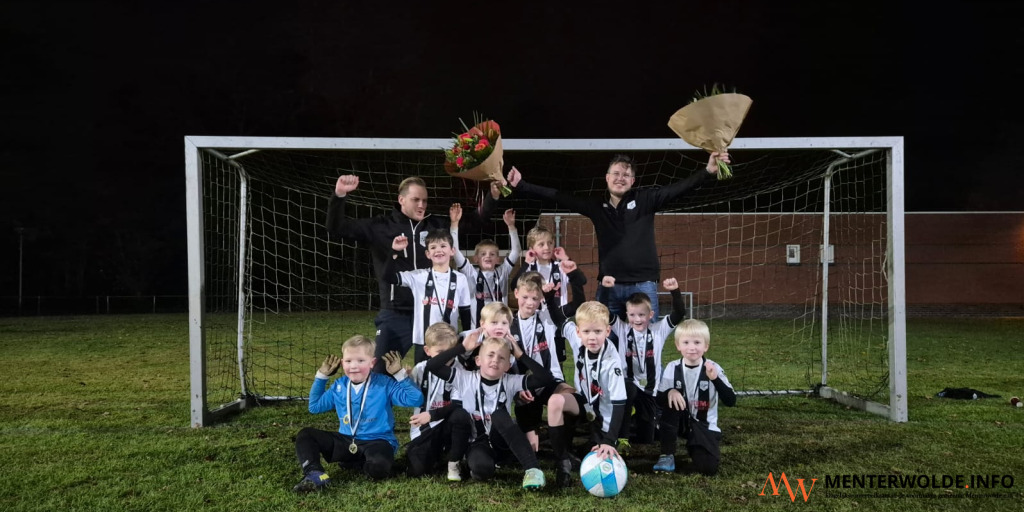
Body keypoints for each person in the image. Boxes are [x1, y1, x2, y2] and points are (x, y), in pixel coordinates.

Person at [506, 152, 729, 319]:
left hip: (644, 285)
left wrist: (707, 171)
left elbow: (679, 189)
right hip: (609, 285)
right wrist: (522, 185)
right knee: (607, 339)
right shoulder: (596, 206)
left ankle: (647, 382)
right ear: (606, 177)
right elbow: (559, 197)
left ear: (633, 181)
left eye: (626, 175)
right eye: (616, 173)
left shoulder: (646, 199)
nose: (620, 178)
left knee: (646, 340)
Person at [326, 175, 500, 373]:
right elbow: (336, 228)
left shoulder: (435, 226)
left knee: (437, 374)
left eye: (424, 200)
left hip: (433, 317)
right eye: (416, 200)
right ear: (401, 200)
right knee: (380, 371)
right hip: (396, 312)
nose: (421, 205)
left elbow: (474, 222)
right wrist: (339, 195)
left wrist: (492, 197)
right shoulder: (381, 226)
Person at [426, 326, 555, 490]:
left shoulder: (510, 380)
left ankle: (533, 470)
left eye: (502, 358)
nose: (495, 360)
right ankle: (478, 465)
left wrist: (520, 354)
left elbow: (546, 378)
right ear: (478, 360)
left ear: (508, 366)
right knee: (482, 469)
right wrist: (462, 348)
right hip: (478, 442)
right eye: (490, 355)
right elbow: (432, 365)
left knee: (499, 415)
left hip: (501, 440)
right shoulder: (464, 378)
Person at [292, 335, 423, 493]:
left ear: (372, 363)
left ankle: (360, 462)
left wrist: (399, 374)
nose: (354, 366)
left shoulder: (384, 383)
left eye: (360, 361)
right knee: (306, 434)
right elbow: (314, 406)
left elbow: (415, 400)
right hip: (347, 440)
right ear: (342, 363)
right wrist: (321, 376)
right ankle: (314, 474)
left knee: (378, 469)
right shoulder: (339, 386)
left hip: (378, 441)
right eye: (348, 361)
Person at [545, 301, 626, 488]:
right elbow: (558, 318)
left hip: (603, 416)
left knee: (594, 452)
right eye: (587, 332)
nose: (592, 338)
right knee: (555, 401)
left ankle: (590, 444)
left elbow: (620, 403)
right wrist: (549, 295)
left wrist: (609, 441)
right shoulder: (577, 338)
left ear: (607, 331)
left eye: (598, 332)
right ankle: (563, 462)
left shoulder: (612, 362)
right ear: (578, 332)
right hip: (584, 403)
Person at [508, 267, 584, 452]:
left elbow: (578, 304)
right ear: (516, 293)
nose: (529, 303)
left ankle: (565, 452)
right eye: (525, 297)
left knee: (569, 398)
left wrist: (551, 296)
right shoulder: (507, 324)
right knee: (532, 448)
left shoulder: (548, 317)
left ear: (541, 298)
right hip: (524, 386)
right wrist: (517, 391)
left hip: (552, 380)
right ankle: (528, 434)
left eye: (535, 298)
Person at [606, 277, 688, 447]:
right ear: (627, 315)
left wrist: (675, 290)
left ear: (650, 315)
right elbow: (603, 311)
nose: (637, 319)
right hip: (628, 385)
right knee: (627, 393)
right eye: (633, 315)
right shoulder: (622, 329)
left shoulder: (659, 330)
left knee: (646, 439)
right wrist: (607, 289)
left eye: (642, 315)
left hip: (650, 389)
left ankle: (640, 418)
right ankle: (622, 438)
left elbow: (679, 312)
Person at [653, 319, 736, 476]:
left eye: (697, 342)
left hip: (704, 425)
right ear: (678, 346)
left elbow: (731, 401)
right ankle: (667, 454)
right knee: (672, 400)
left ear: (706, 346)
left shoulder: (713, 368)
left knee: (708, 469)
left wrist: (715, 379)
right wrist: (670, 391)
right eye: (686, 342)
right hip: (681, 421)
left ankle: (695, 445)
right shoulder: (673, 367)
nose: (691, 347)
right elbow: (659, 400)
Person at [381, 229, 474, 363]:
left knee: (449, 380)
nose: (438, 250)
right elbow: (387, 277)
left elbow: (465, 312)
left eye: (443, 246)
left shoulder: (461, 279)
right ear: (427, 254)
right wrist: (394, 251)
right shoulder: (418, 276)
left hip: (450, 342)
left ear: (452, 251)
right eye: (433, 247)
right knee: (422, 380)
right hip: (423, 343)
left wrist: (466, 339)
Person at [406, 322, 474, 480]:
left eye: (450, 352)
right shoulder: (420, 369)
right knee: (417, 471)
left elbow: (458, 404)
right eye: (440, 352)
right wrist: (402, 378)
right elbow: (409, 397)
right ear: (427, 351)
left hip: (448, 424)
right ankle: (436, 452)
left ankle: (454, 461)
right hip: (424, 428)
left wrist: (431, 415)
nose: (447, 357)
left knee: (461, 415)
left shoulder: (460, 370)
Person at [449, 205, 521, 327]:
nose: (488, 256)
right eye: (483, 254)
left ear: (498, 259)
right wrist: (454, 224)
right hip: (477, 328)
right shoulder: (471, 272)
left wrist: (511, 226)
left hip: (499, 327)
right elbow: (455, 251)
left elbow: (516, 251)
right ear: (475, 259)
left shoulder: (502, 272)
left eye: (492, 254)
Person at [509, 225, 570, 310]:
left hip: (558, 316)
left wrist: (567, 259)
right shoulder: (529, 268)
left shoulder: (560, 267)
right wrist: (526, 263)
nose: (547, 247)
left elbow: (581, 280)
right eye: (541, 244)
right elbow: (513, 286)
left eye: (550, 243)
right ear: (531, 249)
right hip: (536, 316)